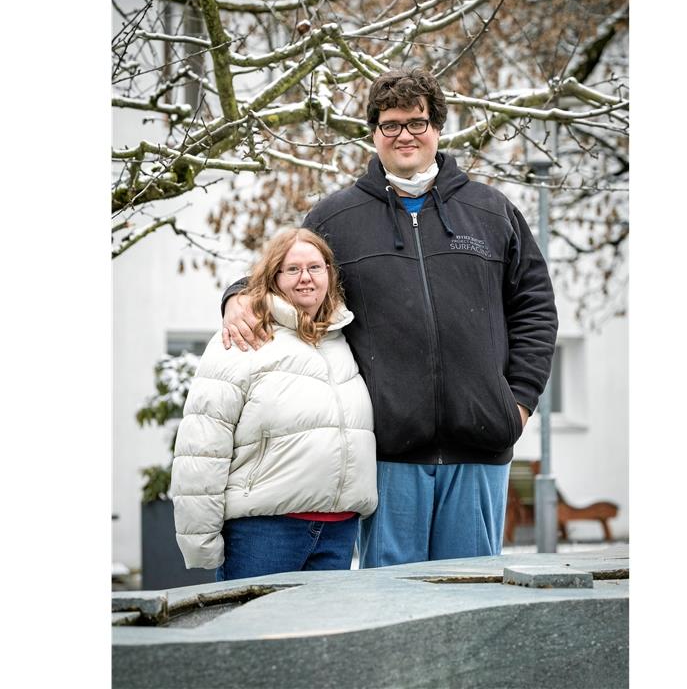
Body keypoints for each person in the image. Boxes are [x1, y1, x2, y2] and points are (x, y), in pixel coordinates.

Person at [221, 68, 558, 568]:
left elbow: (535, 306)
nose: (405, 135)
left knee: (474, 605)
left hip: (480, 447)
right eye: (391, 124)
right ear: (374, 133)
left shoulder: (492, 212)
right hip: (388, 452)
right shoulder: (337, 218)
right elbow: (288, 273)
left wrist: (518, 405)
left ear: (437, 128)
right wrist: (237, 298)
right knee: (393, 607)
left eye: (417, 122)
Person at [170, 228, 377, 581]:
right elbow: (202, 446)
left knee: (323, 638)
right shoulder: (242, 338)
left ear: (330, 273)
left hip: (338, 531)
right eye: (292, 269)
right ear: (273, 277)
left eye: (315, 267)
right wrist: (200, 540)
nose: (305, 279)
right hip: (264, 533)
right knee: (253, 636)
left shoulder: (343, 340)